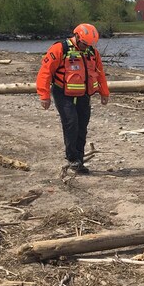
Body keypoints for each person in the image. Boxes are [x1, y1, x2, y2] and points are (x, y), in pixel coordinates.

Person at [36, 23, 110, 173]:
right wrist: (44, 96)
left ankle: (79, 160)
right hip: (63, 93)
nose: (86, 47)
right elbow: (45, 72)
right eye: (84, 44)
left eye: (89, 44)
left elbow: (100, 73)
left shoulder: (92, 52)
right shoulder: (60, 49)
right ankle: (72, 158)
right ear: (77, 36)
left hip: (84, 94)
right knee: (71, 123)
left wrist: (104, 92)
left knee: (82, 126)